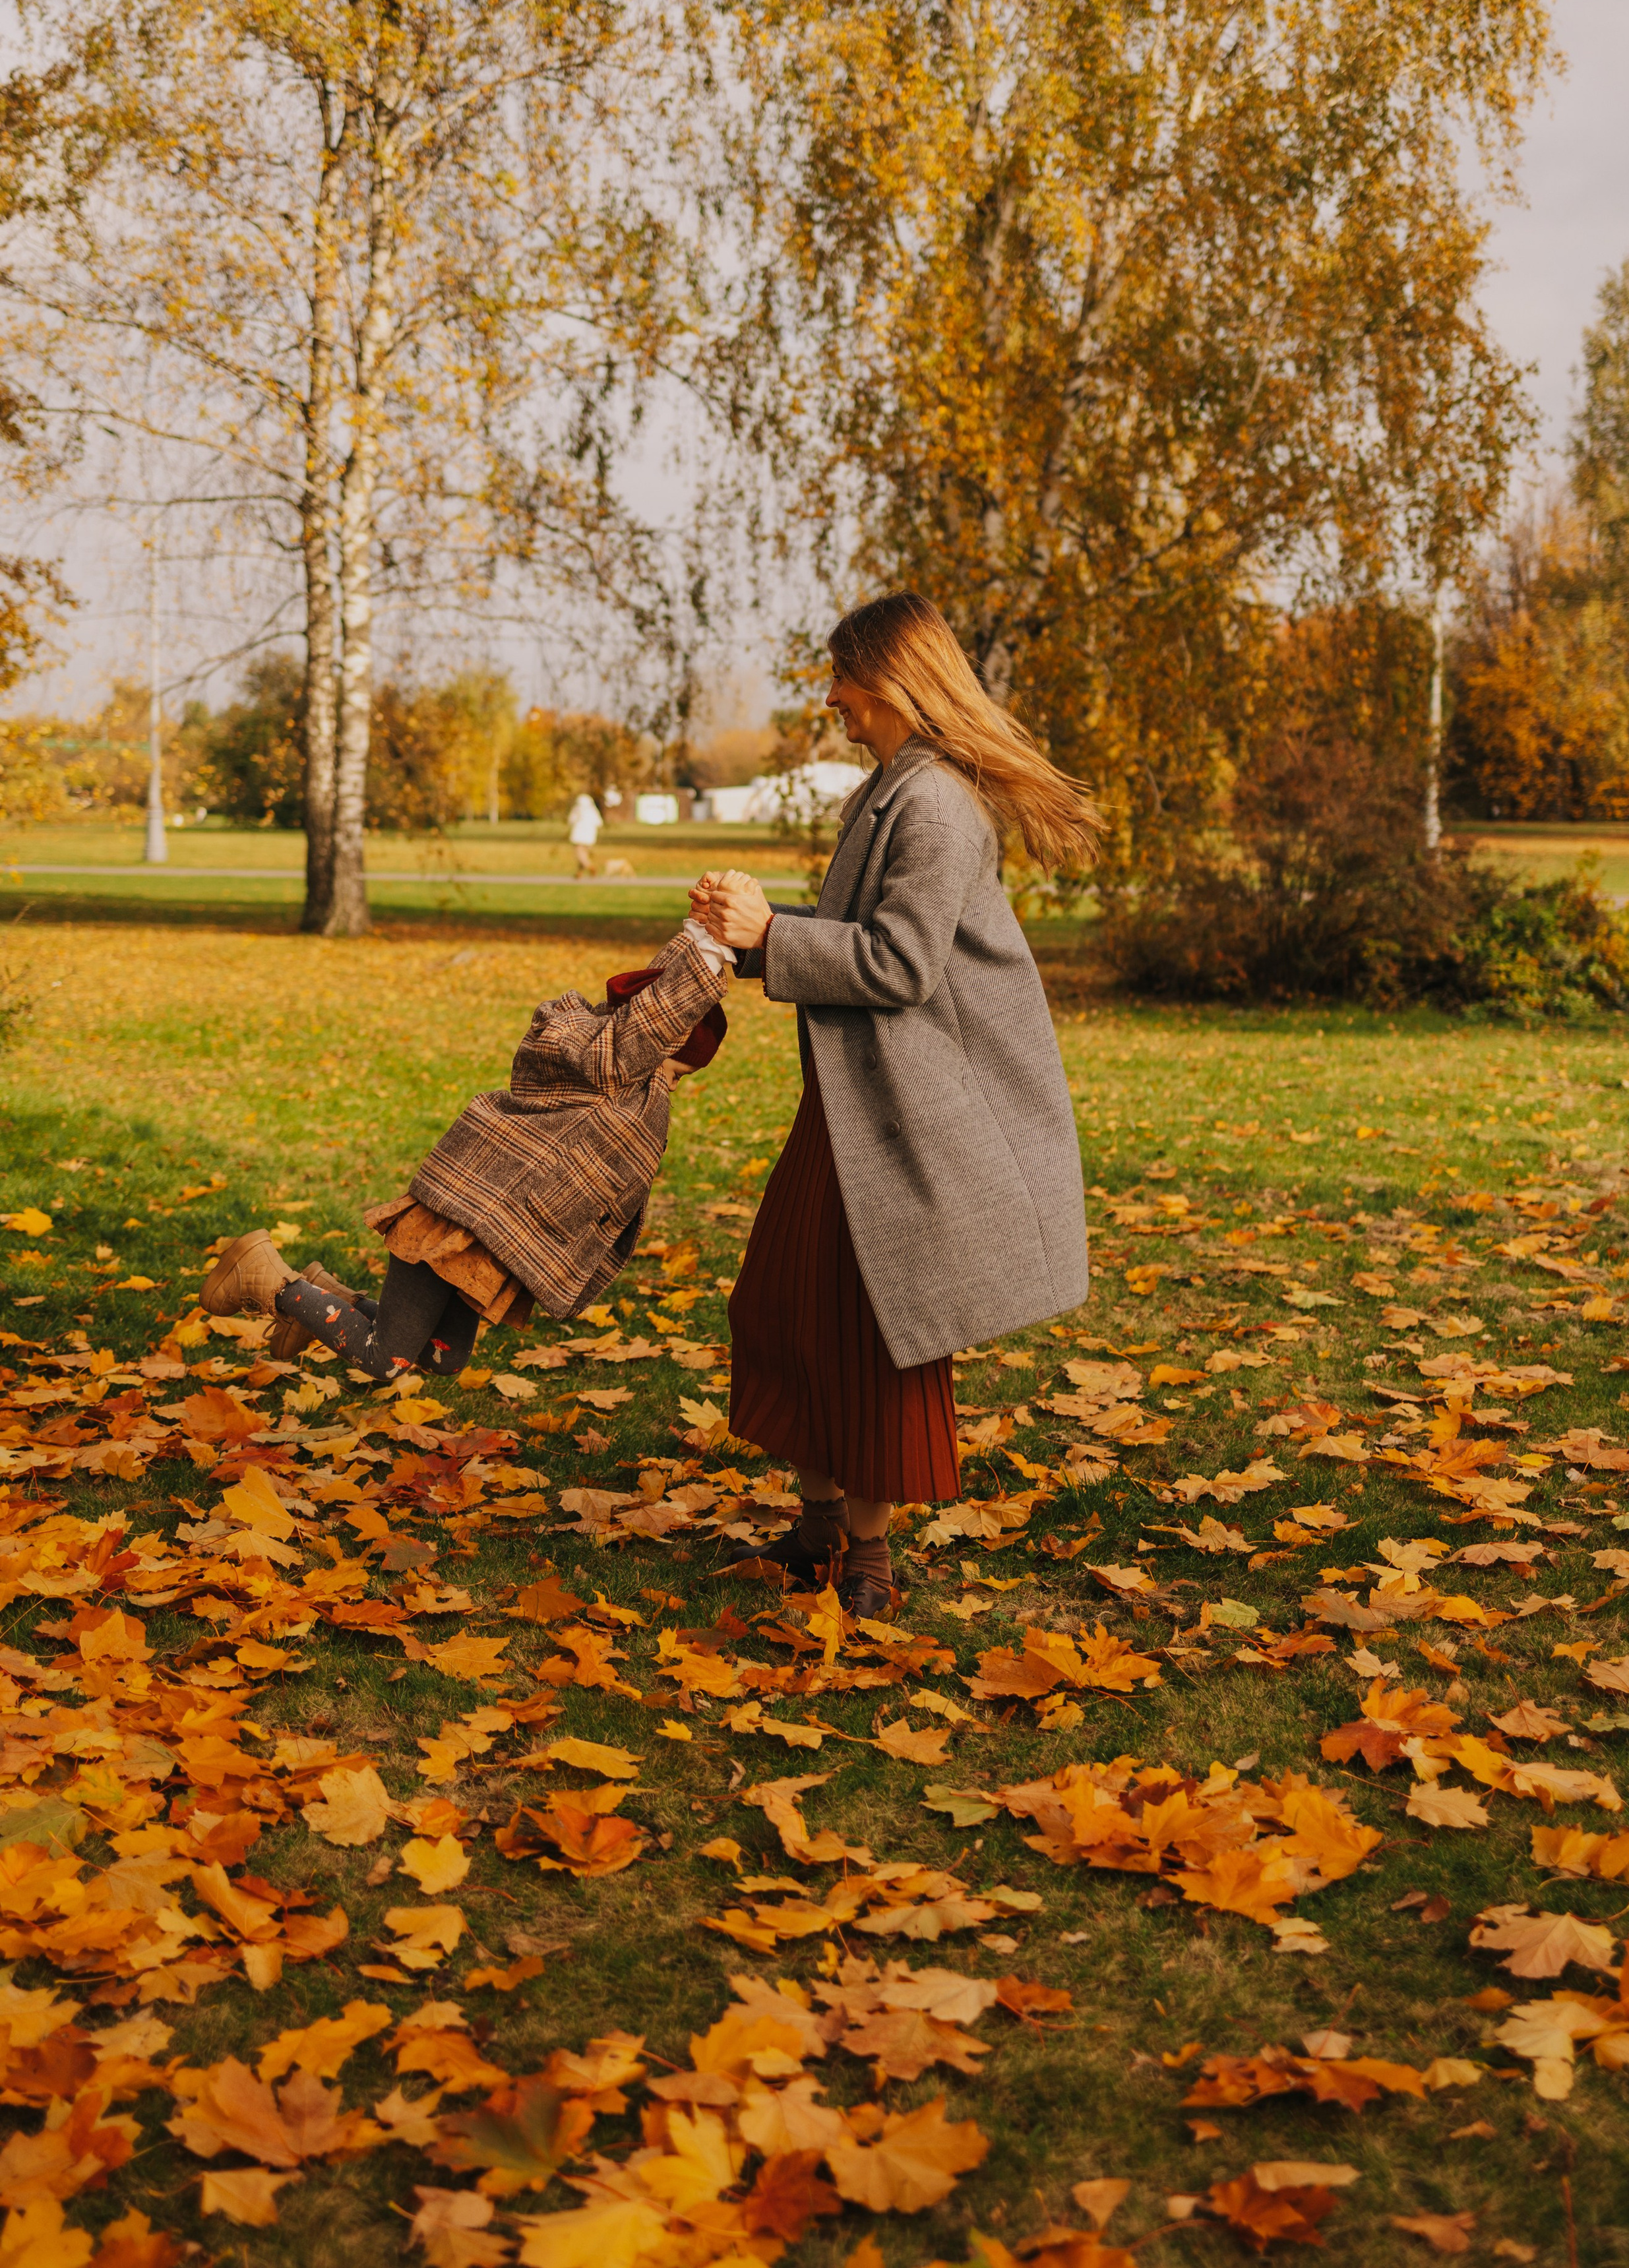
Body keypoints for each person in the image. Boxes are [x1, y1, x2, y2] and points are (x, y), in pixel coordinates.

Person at [689, 590, 1099, 1617]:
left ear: (891, 680)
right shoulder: (889, 788)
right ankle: (820, 1527)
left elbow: (901, 963)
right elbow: (851, 937)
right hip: (854, 1102)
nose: (830, 695)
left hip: (912, 1114)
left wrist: (773, 933)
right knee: (783, 1304)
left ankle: (867, 1558)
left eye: (842, 674)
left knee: (877, 1328)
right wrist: (749, 938)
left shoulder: (937, 805)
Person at [199, 922, 733, 1379]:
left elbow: (657, 996)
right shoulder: (615, 1064)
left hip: (486, 1239)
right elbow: (661, 1008)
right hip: (461, 1222)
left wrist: (705, 930)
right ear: (653, 1044)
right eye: (677, 1073)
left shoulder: (622, 1068)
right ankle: (268, 1275)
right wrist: (709, 953)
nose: (673, 1086)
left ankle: (318, 1294)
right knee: (387, 1359)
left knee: (444, 1356)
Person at [568, 789, 603, 877]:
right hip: (590, 837)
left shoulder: (577, 809)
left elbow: (571, 820)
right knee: (585, 855)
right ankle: (579, 873)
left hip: (578, 836)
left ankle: (590, 867)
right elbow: (599, 823)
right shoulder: (593, 810)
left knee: (580, 854)